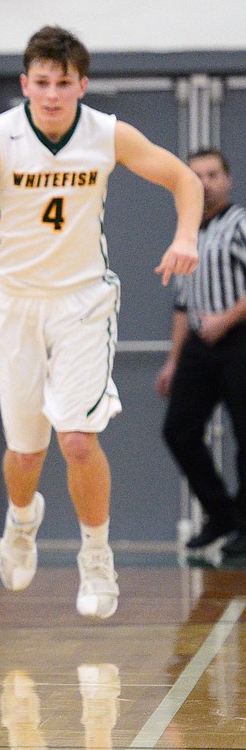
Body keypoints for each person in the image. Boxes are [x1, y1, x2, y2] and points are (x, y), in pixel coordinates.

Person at [0, 25, 202, 619]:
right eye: (42, 83)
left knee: (77, 439)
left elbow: (184, 179)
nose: (52, 95)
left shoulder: (106, 134)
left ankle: (97, 557)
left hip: (83, 303)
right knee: (27, 453)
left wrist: (185, 237)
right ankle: (22, 522)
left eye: (64, 83)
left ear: (82, 85)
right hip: (16, 303)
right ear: (25, 84)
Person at [157, 149, 246, 556]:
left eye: (213, 174)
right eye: (197, 176)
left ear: (227, 179)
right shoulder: (187, 233)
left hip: (238, 339)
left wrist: (226, 319)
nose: (206, 183)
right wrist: (174, 361)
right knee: (178, 429)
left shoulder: (241, 224)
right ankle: (223, 514)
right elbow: (181, 302)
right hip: (198, 344)